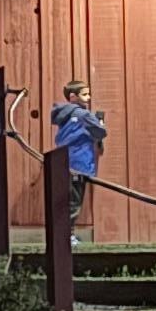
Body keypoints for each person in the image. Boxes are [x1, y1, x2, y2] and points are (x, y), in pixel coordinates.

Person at [49, 80, 107, 230]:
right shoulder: (84, 114)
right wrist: (100, 123)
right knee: (75, 201)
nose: (89, 97)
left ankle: (62, 234)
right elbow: (100, 132)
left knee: (64, 200)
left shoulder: (63, 115)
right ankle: (68, 235)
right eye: (85, 94)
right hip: (80, 162)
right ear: (73, 96)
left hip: (63, 160)